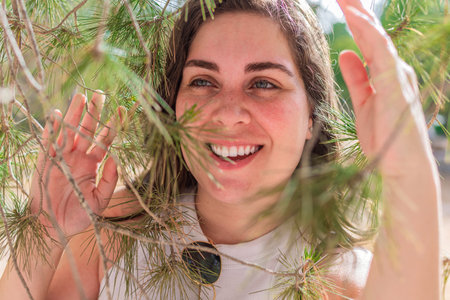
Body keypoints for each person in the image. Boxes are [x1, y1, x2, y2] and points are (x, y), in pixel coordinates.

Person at [0, 0, 441, 299]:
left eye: (264, 83)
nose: (228, 114)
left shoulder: (340, 278)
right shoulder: (113, 234)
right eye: (203, 81)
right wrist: (41, 228)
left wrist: (409, 170)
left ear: (313, 117)